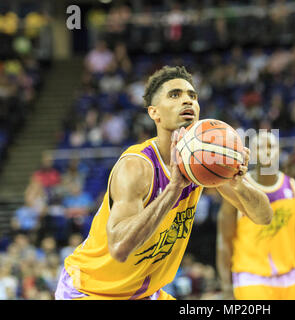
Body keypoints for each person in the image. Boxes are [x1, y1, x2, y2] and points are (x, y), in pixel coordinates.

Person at [55, 66, 273, 300]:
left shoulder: (203, 160)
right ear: (154, 113)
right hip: (91, 290)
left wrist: (240, 183)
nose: (187, 101)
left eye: (192, 95)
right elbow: (119, 248)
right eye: (175, 95)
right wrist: (173, 190)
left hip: (144, 293)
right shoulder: (137, 166)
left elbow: (263, 217)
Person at [216, 131, 295, 300]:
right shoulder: (236, 189)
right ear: (252, 153)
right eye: (260, 147)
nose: (266, 151)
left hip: (290, 278)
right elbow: (224, 241)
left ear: (280, 151)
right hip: (250, 278)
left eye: (271, 146)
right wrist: (226, 287)